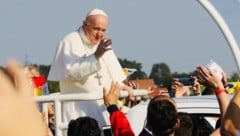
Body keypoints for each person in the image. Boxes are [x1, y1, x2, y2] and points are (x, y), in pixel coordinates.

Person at [47, 8, 133, 128]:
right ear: (85, 24)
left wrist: (122, 86)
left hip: (103, 108)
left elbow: (110, 74)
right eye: (96, 29)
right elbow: (73, 72)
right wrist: (96, 55)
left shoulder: (103, 43)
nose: (100, 34)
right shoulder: (70, 41)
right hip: (79, 109)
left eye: (103, 30)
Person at [0, 60, 46, 136]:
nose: (32, 82)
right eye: (30, 78)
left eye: (35, 78)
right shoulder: (14, 99)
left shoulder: (41, 87)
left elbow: (49, 108)